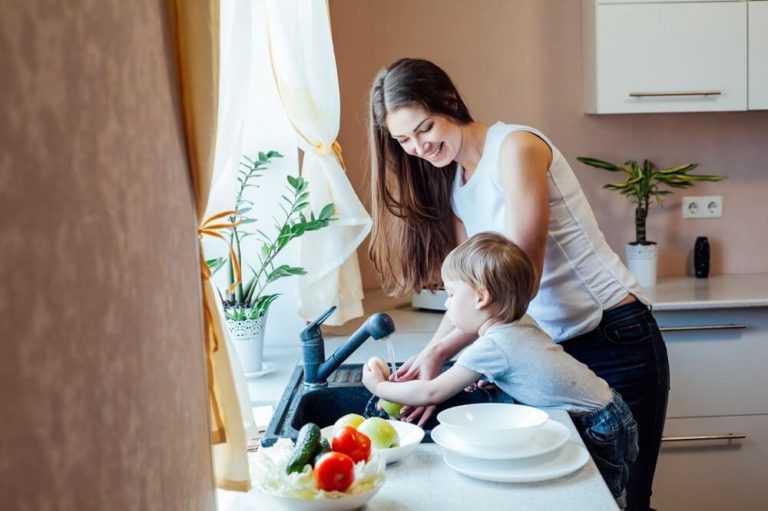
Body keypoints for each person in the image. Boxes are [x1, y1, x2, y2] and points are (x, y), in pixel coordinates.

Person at [367, 58, 668, 511]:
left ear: (449, 102)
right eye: (404, 139)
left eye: (424, 128)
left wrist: (443, 359)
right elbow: (470, 293)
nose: (419, 147)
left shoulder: (516, 147)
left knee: (625, 502)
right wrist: (433, 353)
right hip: (545, 352)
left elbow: (514, 284)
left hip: (614, 338)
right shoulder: (454, 184)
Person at [362, 233, 639, 508]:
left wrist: (379, 387)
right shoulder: (518, 323)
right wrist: (499, 380)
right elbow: (533, 368)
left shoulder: (492, 346)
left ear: (481, 297)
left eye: (451, 294)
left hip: (597, 425)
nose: (447, 304)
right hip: (608, 411)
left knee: (598, 502)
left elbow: (432, 390)